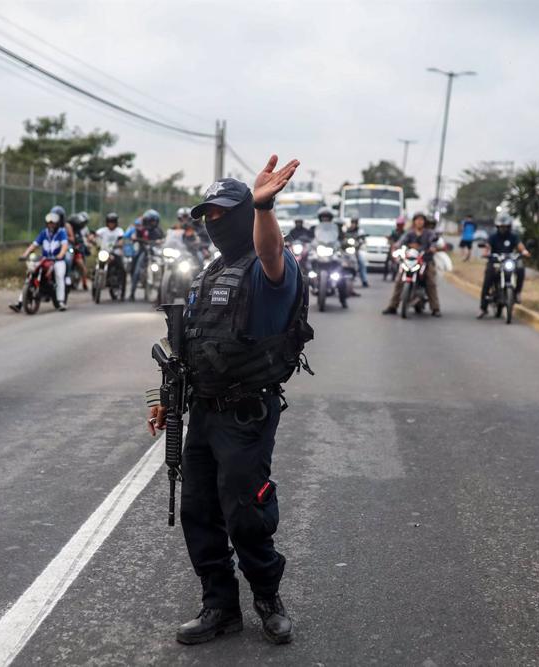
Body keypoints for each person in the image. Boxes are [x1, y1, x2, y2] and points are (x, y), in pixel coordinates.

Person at [147, 157, 312, 646]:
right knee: (199, 511)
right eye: (208, 216)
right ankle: (219, 606)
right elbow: (192, 346)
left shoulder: (268, 271)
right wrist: (168, 400)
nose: (213, 223)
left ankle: (267, 598)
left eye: (223, 214)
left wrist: (264, 209)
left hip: (246, 413)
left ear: (244, 214)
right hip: (203, 411)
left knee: (245, 512)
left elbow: (271, 252)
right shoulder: (208, 273)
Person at [382, 213, 441, 316]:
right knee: (399, 280)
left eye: (421, 220)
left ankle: (435, 308)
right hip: (410, 260)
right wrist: (395, 246)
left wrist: (432, 247)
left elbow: (433, 242)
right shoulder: (409, 233)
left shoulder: (429, 233)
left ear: (424, 222)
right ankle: (392, 306)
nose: (419, 222)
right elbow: (400, 242)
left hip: (425, 260)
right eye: (417, 220)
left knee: (431, 282)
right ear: (414, 222)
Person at [9, 212, 69, 312]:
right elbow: (34, 245)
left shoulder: (62, 232)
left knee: (59, 275)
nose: (51, 225)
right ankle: (20, 302)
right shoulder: (44, 233)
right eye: (49, 223)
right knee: (31, 274)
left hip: (57, 260)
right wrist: (25, 254)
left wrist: (60, 255)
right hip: (44, 260)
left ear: (57, 224)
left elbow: (64, 246)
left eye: (53, 223)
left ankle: (61, 301)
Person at [476, 215, 531, 319]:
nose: (503, 229)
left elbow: (520, 245)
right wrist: (486, 253)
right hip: (495, 261)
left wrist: (524, 252)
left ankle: (517, 292)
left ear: (509, 227)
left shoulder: (513, 236)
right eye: (501, 227)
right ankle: (483, 308)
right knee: (488, 279)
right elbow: (487, 247)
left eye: (505, 227)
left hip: (509, 261)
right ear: (497, 227)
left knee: (520, 269)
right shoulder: (493, 237)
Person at [129, 209, 164, 301]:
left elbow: (164, 239)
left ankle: (162, 292)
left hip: (155, 253)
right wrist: (135, 238)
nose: (152, 223)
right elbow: (134, 236)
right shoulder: (141, 229)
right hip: (144, 251)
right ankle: (132, 293)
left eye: (154, 221)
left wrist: (161, 241)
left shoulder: (158, 230)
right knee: (136, 269)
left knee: (165, 267)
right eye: (150, 221)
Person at [68, 212, 90, 290]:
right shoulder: (65, 230)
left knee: (81, 264)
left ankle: (84, 283)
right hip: (67, 251)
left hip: (76, 252)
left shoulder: (78, 232)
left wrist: (78, 247)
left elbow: (80, 242)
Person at [345, 217, 369, 287]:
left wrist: (360, 242)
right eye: (352, 222)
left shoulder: (360, 231)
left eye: (354, 223)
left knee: (362, 262)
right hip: (348, 250)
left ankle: (364, 280)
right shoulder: (347, 230)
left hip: (357, 250)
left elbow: (363, 240)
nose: (353, 224)